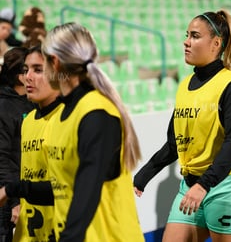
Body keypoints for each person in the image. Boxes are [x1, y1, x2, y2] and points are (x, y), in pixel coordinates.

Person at [0, 22, 145, 242]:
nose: (29, 76)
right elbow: (62, 189)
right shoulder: (63, 115)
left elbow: (86, 194)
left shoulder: (97, 113)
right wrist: (11, 190)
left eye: (40, 67)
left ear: (55, 64)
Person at [133, 9, 231, 242]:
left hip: (229, 188)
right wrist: (144, 174)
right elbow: (174, 143)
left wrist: (204, 185)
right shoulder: (185, 85)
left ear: (216, 43)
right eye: (186, 35)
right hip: (191, 186)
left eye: (194, 36)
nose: (186, 41)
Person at [10, 45, 62, 242]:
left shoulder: (70, 119)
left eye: (38, 70)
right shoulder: (29, 120)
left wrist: (11, 190)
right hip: (29, 232)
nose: (28, 77)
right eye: (25, 70)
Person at [0, 47, 35, 242]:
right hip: (7, 201)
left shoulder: (31, 102)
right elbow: (2, 157)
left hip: (25, 193)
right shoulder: (4, 106)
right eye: (30, 69)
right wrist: (13, 200)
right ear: (20, 75)